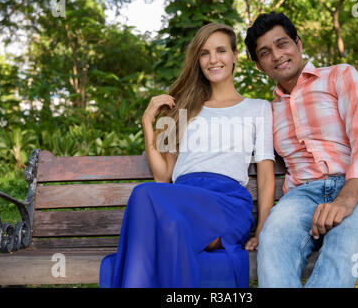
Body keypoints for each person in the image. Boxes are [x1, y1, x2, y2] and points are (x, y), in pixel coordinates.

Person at [99, 23, 275, 288]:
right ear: (198, 60)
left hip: (226, 204)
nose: (213, 59)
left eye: (221, 51)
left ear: (235, 55)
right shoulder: (183, 110)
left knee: (143, 194)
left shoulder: (258, 109)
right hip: (180, 201)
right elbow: (164, 176)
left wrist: (262, 229)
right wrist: (148, 122)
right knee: (169, 229)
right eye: (205, 53)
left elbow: (264, 176)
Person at [244, 12, 358, 288]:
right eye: (265, 52)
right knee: (274, 240)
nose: (277, 55)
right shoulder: (267, 111)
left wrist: (344, 201)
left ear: (298, 44)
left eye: (282, 44)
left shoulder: (340, 76)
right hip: (300, 198)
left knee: (344, 239)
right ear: (259, 65)